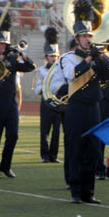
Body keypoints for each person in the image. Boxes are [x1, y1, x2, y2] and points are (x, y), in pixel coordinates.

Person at [55, 0, 109, 204]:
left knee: (93, 149)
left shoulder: (96, 56)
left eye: (90, 35)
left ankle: (89, 192)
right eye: (85, 36)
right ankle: (75, 190)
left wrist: (102, 58)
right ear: (77, 38)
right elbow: (72, 75)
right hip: (76, 108)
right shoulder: (68, 57)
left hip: (94, 107)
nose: (89, 39)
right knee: (76, 148)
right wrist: (89, 59)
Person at [0, 13, 35, 179]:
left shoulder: (13, 59)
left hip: (10, 102)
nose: (2, 46)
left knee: (13, 135)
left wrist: (20, 53)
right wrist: (1, 59)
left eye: (5, 44)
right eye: (0, 44)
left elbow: (30, 67)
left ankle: (6, 166)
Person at [34, 27, 62, 163]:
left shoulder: (61, 70)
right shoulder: (40, 71)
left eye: (55, 56)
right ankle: (44, 155)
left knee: (56, 131)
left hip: (58, 103)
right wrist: (45, 88)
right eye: (51, 56)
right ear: (46, 57)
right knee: (44, 130)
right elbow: (36, 89)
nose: (53, 58)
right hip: (45, 102)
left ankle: (54, 155)